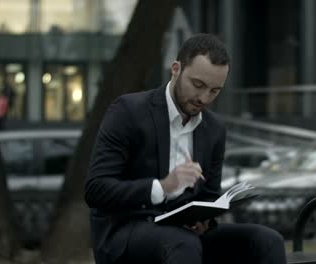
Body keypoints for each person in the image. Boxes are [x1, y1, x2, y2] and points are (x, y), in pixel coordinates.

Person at [85, 33, 287, 264]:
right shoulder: (128, 111)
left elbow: (209, 196)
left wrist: (204, 221)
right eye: (198, 85)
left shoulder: (214, 129)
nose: (204, 98)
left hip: (184, 237)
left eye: (214, 90)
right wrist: (161, 187)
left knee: (267, 240)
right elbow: (96, 189)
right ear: (176, 69)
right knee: (181, 243)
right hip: (127, 232)